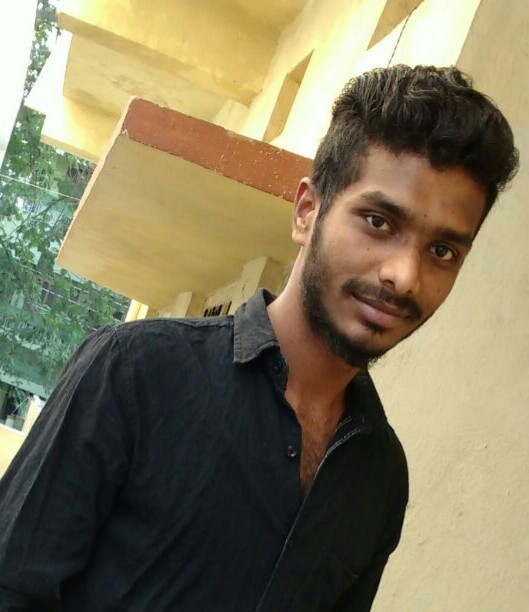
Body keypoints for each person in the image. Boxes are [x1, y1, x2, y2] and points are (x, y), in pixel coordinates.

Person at [0, 65, 518, 611]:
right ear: (307, 211)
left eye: (442, 251)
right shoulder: (135, 371)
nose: (405, 275)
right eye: (378, 222)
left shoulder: (380, 476)